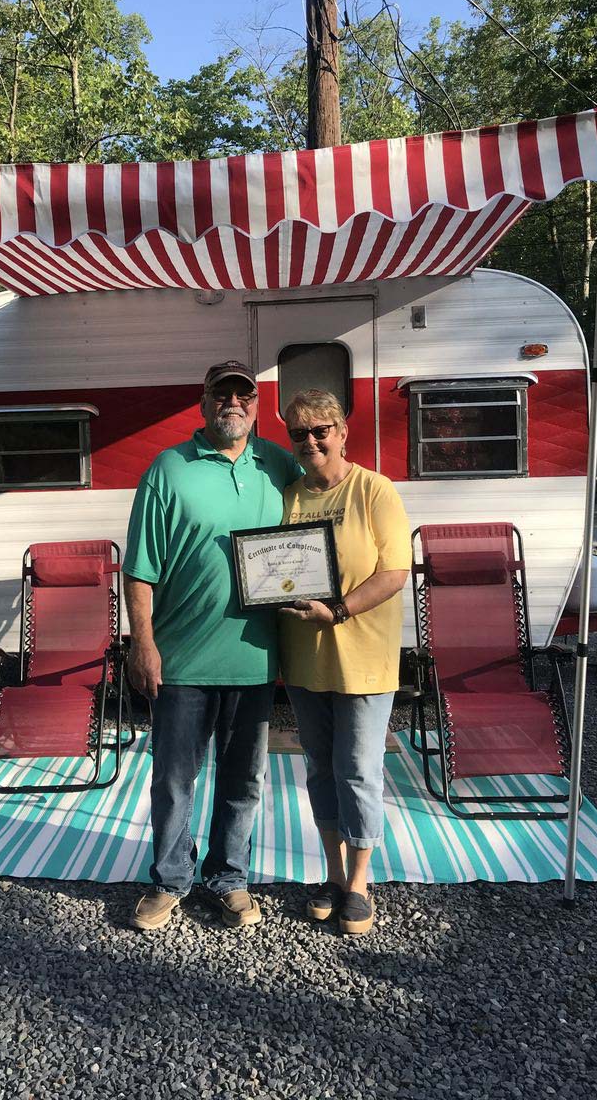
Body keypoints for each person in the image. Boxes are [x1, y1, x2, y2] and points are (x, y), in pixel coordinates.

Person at [124, 360, 301, 931]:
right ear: (202, 403)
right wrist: (142, 644)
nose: (233, 403)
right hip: (181, 661)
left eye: (243, 395)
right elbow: (140, 569)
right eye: (221, 394)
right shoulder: (168, 469)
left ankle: (229, 877)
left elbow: (316, 525)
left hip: (254, 659)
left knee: (243, 780)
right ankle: (171, 880)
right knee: (174, 779)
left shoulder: (278, 464)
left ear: (256, 404)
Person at [279, 388, 411, 936]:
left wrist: (337, 610)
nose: (310, 441)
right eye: (299, 433)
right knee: (319, 769)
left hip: (364, 661)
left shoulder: (374, 490)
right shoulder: (289, 496)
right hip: (305, 662)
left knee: (358, 771)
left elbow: (394, 572)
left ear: (342, 431)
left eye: (320, 430)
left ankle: (359, 883)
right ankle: (332, 873)